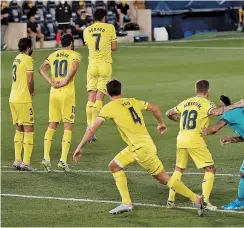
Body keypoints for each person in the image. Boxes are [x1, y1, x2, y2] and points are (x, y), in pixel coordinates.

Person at [73, 79, 205, 216]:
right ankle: (126, 203)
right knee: (114, 166)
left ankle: (196, 198)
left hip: (142, 150)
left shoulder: (108, 108)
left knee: (163, 178)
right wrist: (160, 123)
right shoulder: (132, 101)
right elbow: (154, 108)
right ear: (121, 91)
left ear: (106, 93)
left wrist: (79, 147)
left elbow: (91, 129)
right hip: (136, 146)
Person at [165, 80, 244, 211]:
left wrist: (179, 120)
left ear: (195, 89)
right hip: (195, 139)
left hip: (181, 139)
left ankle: (170, 200)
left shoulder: (186, 102)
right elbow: (216, 112)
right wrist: (237, 105)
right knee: (210, 169)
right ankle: (204, 201)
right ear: (208, 91)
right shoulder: (207, 103)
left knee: (179, 169)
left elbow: (169, 113)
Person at [39, 34, 81, 171]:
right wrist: (65, 81)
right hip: (67, 93)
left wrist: (51, 82)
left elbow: (41, 69)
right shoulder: (74, 54)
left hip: (54, 92)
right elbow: (74, 68)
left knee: (52, 125)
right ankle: (63, 160)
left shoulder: (53, 55)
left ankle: (46, 157)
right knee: (68, 126)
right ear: (71, 43)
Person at [83, 8, 117, 142]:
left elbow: (89, 45)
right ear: (104, 17)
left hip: (92, 65)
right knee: (99, 98)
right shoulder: (110, 27)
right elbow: (114, 47)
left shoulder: (87, 30)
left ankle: (88, 127)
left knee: (90, 97)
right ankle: (92, 130)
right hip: (104, 64)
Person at [9, 37, 35, 171]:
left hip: (13, 98)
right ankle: (25, 162)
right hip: (23, 98)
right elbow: (30, 80)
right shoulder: (28, 59)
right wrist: (32, 91)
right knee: (29, 129)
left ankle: (17, 160)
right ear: (29, 47)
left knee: (19, 128)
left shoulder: (16, 58)